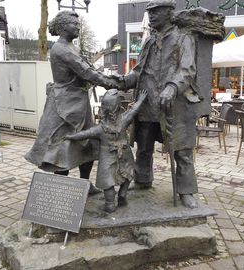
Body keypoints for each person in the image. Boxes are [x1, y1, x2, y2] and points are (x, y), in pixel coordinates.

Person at [25, 11, 123, 193]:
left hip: (79, 102)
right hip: (64, 106)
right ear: (62, 27)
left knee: (87, 145)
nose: (78, 27)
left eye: (79, 25)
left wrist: (112, 78)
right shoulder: (60, 49)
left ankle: (85, 185)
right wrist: (113, 83)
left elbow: (90, 68)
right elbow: (87, 72)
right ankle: (64, 191)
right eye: (74, 24)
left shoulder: (72, 47)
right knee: (63, 149)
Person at [123, 0, 202, 208]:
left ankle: (186, 191)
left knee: (181, 150)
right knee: (144, 144)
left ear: (169, 12)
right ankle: (142, 179)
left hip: (172, 104)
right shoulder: (148, 41)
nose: (151, 15)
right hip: (147, 102)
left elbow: (187, 70)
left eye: (156, 11)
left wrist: (173, 86)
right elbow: (139, 70)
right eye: (149, 12)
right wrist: (123, 81)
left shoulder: (183, 38)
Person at [65, 89, 148, 213]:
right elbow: (133, 111)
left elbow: (85, 134)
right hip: (125, 153)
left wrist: (70, 136)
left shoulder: (100, 129)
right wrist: (141, 99)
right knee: (128, 173)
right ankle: (122, 193)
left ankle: (110, 203)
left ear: (103, 108)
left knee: (107, 180)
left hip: (107, 157)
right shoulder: (124, 119)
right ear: (118, 106)